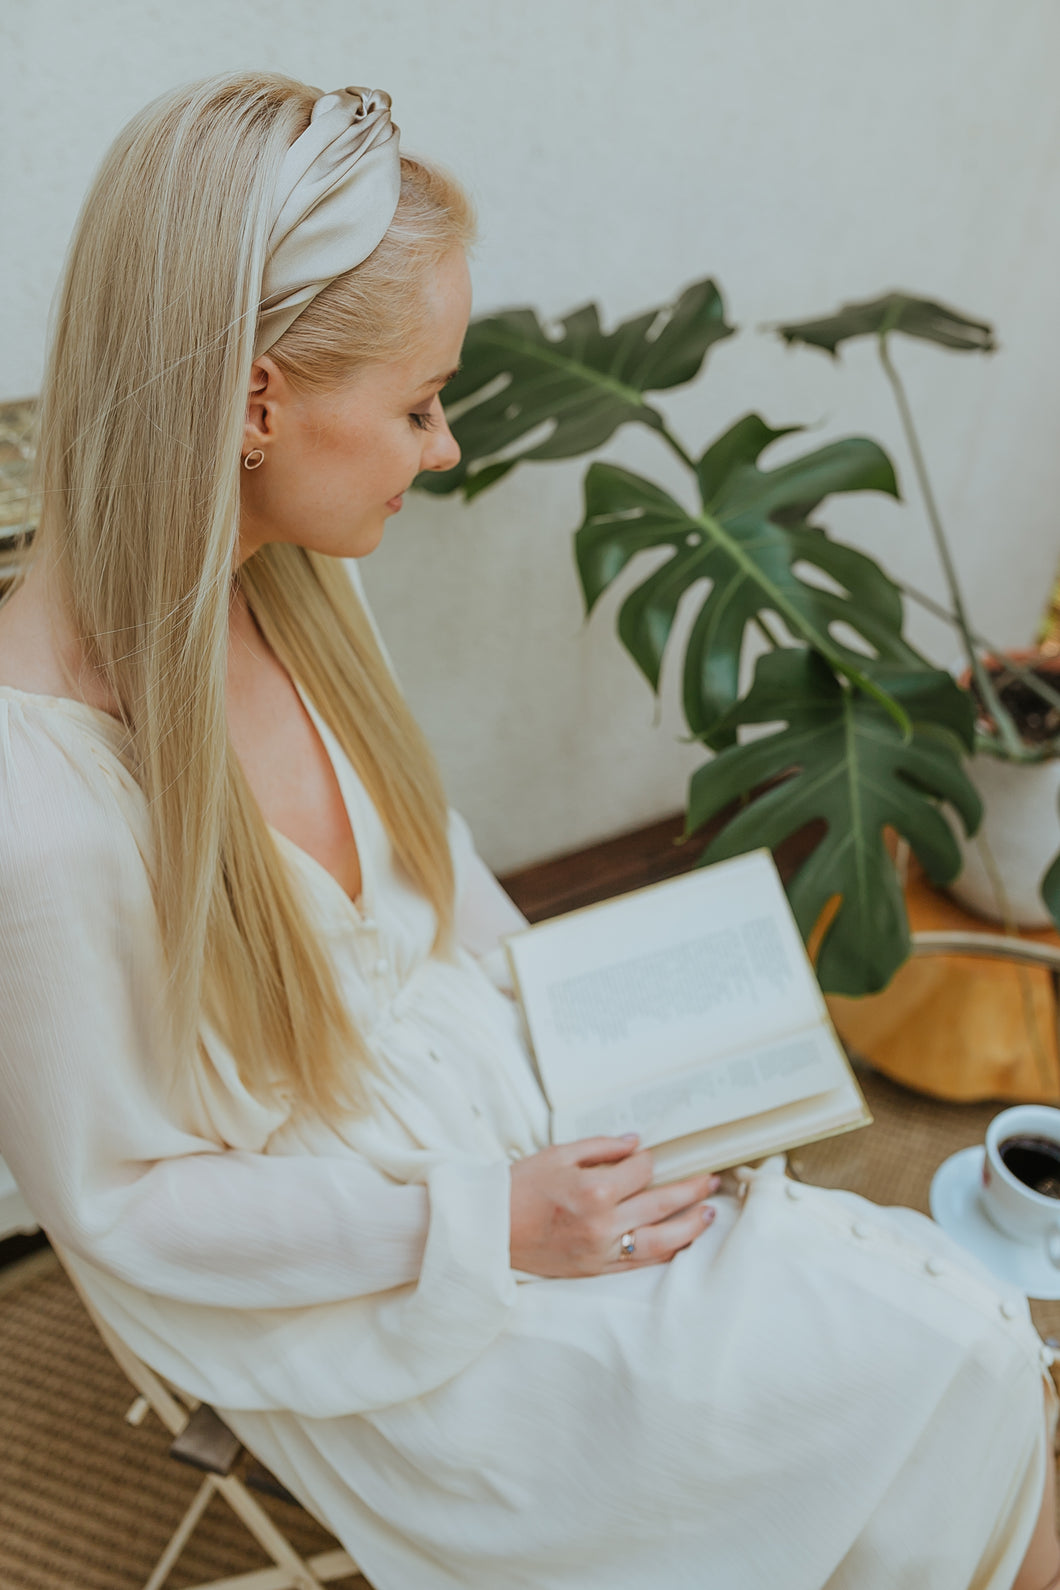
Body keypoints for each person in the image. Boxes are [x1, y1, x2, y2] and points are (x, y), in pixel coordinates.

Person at [0, 70, 1056, 1590]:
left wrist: (604, 1031)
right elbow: (128, 1213)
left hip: (503, 1121)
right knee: (940, 1359)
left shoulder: (297, 580)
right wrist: (488, 1218)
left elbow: (433, 872)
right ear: (256, 402)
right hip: (360, 1282)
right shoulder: (41, 809)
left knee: (932, 1333)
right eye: (419, 404)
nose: (442, 449)